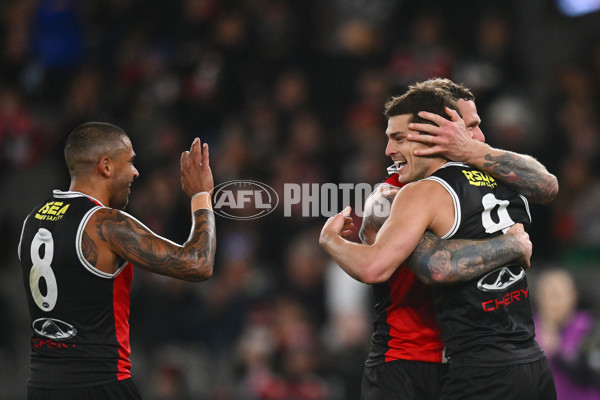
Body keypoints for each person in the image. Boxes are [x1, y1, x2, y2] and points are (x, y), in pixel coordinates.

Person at [319, 86, 556, 399]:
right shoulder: (395, 191)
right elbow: (546, 186)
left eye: (399, 138)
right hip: (413, 359)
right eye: (470, 127)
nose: (479, 137)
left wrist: (328, 238)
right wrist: (513, 246)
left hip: (473, 365)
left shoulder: (472, 173)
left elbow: (414, 266)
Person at [18, 122, 216, 400]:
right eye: (131, 161)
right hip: (101, 384)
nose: (135, 172)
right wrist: (201, 195)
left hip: (41, 386)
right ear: (106, 167)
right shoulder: (106, 225)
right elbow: (198, 263)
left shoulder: (33, 219)